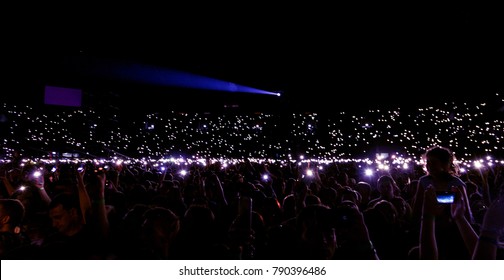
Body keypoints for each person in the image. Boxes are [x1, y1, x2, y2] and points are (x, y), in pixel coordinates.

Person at [413, 146, 474, 259]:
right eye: (427, 162)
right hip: (430, 228)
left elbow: (465, 211)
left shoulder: (457, 184)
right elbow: (418, 206)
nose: (428, 165)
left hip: (453, 230)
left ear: (444, 164)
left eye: (433, 162)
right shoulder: (424, 181)